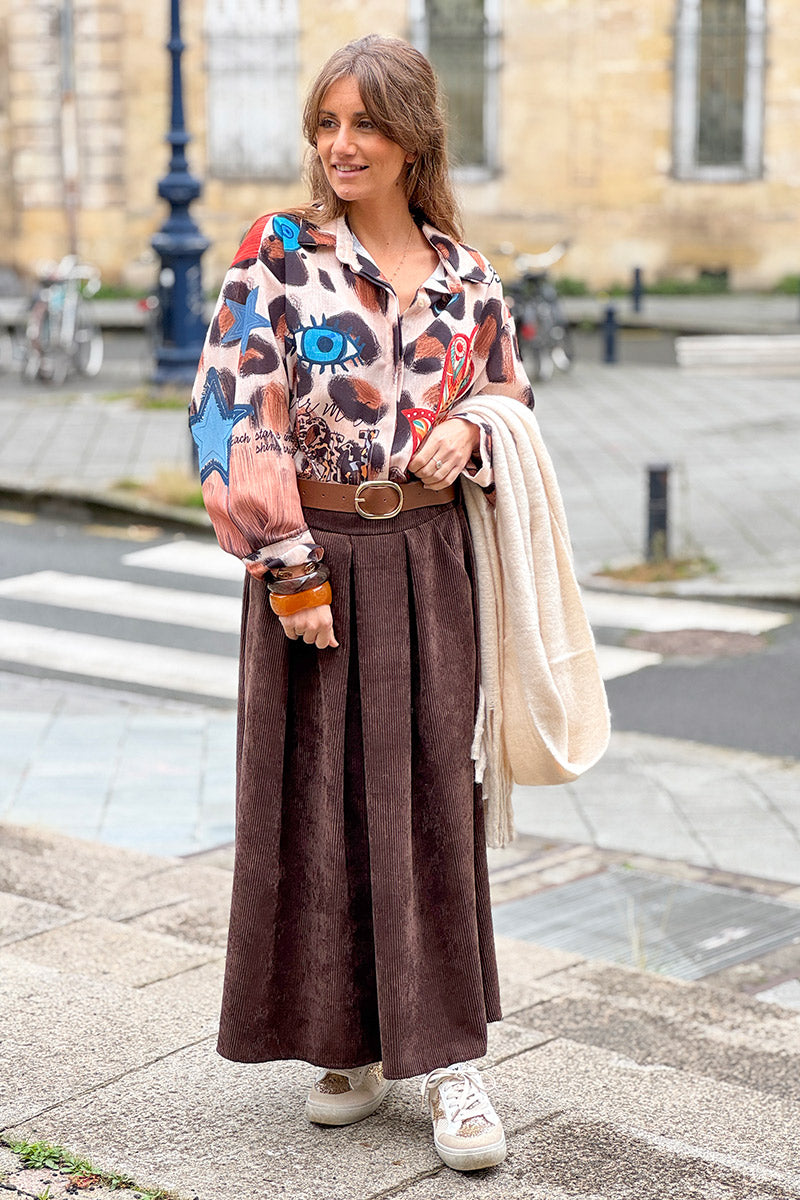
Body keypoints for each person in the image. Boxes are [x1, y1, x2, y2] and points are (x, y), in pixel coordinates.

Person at [190, 33, 534, 1172]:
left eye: (364, 125)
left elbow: (508, 394)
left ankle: (450, 1065)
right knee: (318, 800)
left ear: (412, 138)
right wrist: (284, 565)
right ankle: (345, 1043)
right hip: (318, 549)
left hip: (433, 560)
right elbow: (231, 408)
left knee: (433, 799)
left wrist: (467, 429)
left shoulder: (465, 272)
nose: (340, 145)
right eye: (326, 124)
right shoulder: (278, 255)